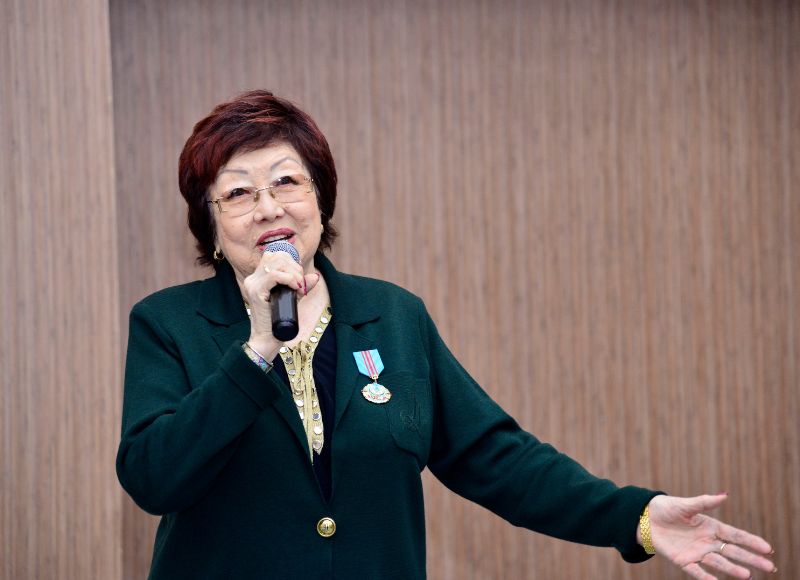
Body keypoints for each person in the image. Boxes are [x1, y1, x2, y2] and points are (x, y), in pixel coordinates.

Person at [116, 90, 776, 580]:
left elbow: (497, 458)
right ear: (210, 226)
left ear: (320, 199)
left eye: (287, 181)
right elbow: (153, 477)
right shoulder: (168, 324)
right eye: (237, 193)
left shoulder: (393, 316)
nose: (268, 207)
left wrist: (635, 517)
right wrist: (257, 351)